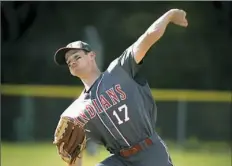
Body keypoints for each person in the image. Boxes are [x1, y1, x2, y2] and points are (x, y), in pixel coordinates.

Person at [54, 8, 188, 166]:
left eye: (77, 56)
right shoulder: (75, 110)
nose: (73, 62)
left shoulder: (119, 70)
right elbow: (74, 153)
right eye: (69, 62)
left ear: (92, 55)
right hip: (120, 160)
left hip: (149, 153)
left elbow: (148, 38)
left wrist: (170, 15)